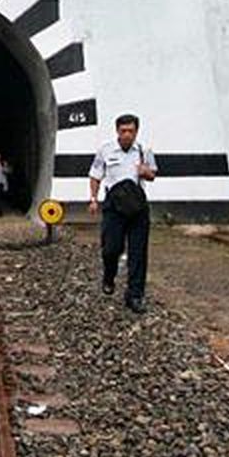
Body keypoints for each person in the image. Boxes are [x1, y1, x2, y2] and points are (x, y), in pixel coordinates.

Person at [87, 114, 158, 313]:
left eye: (131, 131)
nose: (127, 135)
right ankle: (109, 275)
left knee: (138, 252)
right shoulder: (106, 151)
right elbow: (95, 175)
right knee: (111, 247)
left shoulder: (144, 151)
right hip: (114, 206)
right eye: (123, 131)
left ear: (136, 131)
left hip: (137, 206)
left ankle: (135, 295)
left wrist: (146, 172)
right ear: (117, 131)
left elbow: (152, 175)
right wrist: (93, 199)